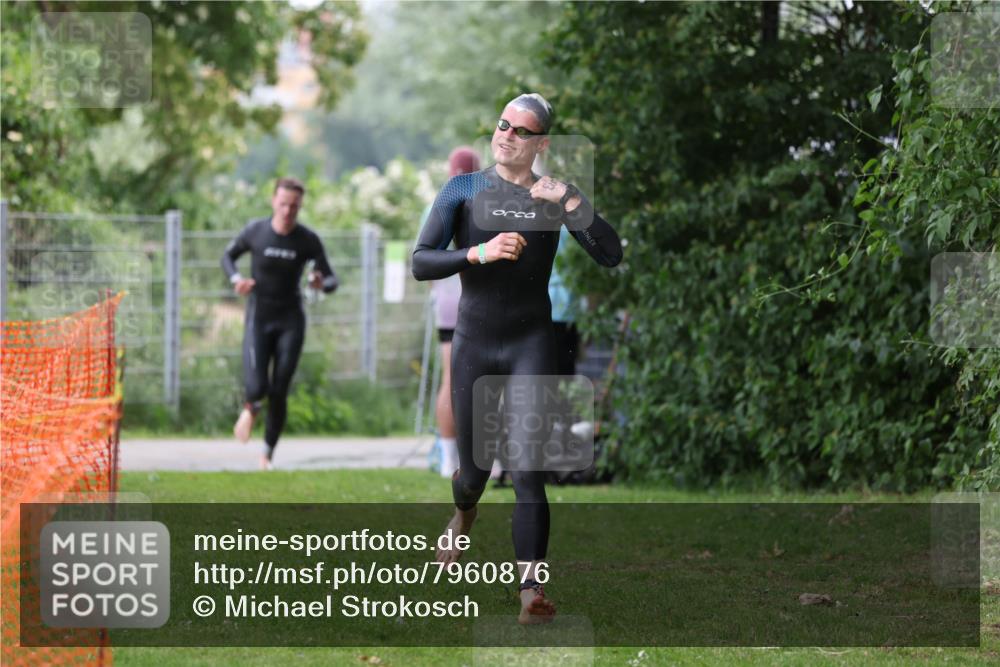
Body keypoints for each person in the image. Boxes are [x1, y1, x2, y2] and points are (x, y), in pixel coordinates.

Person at [411, 93, 622, 624]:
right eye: (502, 125)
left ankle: (531, 592)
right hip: (476, 343)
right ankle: (462, 516)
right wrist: (477, 252)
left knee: (529, 471)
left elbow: (611, 254)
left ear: (541, 143)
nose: (506, 135)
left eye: (521, 130)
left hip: (532, 342)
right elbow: (420, 261)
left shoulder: (554, 197)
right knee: (474, 474)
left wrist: (573, 203)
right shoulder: (462, 188)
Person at [221, 177, 339, 470]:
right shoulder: (256, 231)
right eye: (284, 204)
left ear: (300, 207)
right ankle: (251, 405)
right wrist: (237, 280)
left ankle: (267, 454)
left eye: (294, 206)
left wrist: (320, 282)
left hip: (291, 320)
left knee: (280, 388)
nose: (288, 211)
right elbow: (228, 256)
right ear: (274, 200)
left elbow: (332, 279)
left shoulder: (307, 240)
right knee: (257, 383)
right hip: (259, 318)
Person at [423, 147, 481, 478]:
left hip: (445, 303)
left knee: (451, 379)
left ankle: (448, 459)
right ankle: (472, 456)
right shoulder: (482, 202)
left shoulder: (441, 200)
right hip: (473, 299)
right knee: (482, 380)